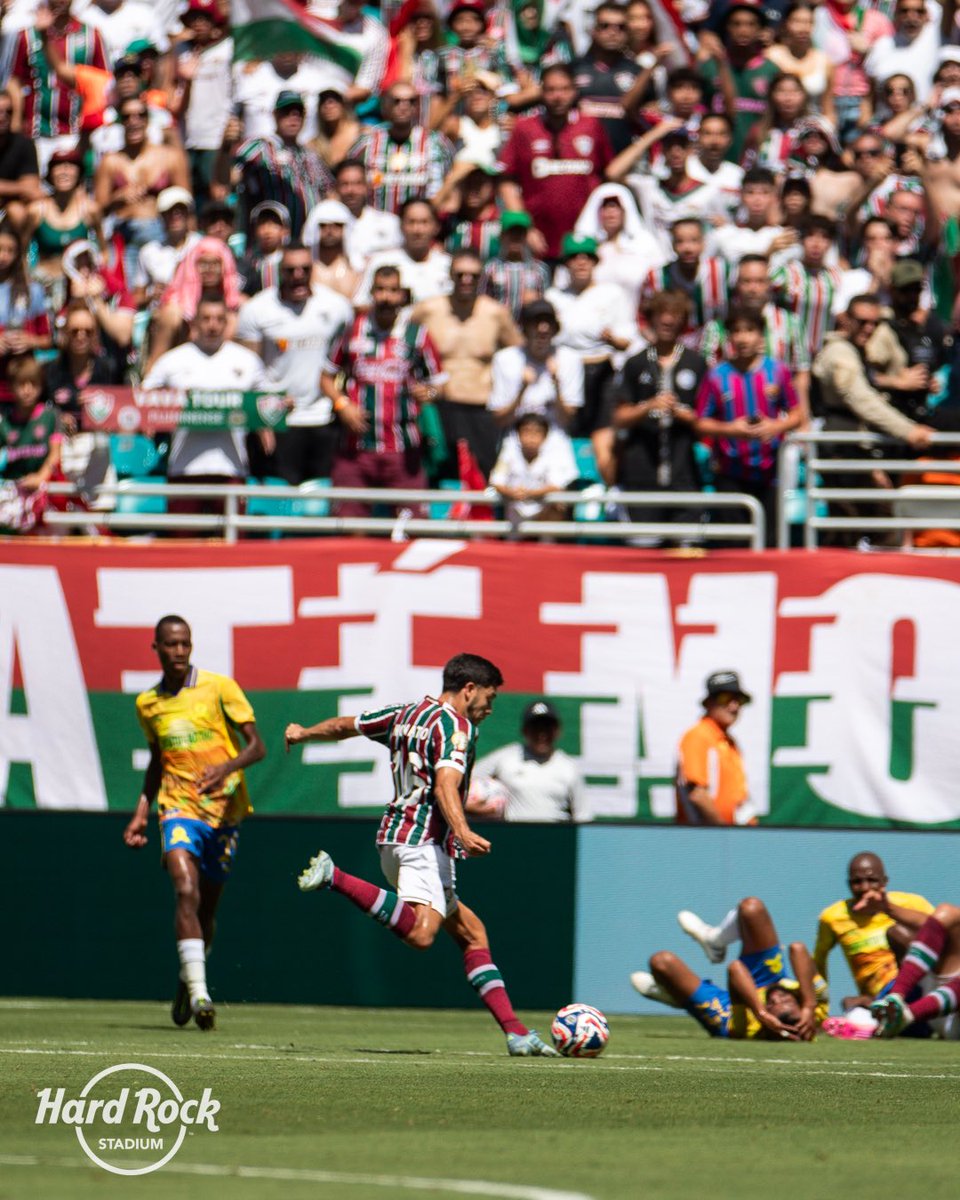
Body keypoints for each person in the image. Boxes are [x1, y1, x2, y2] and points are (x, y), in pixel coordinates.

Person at [284, 652, 558, 1057]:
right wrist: (464, 831)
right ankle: (335, 876)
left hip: (395, 839)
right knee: (421, 934)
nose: (489, 707)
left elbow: (345, 726)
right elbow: (447, 784)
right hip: (422, 842)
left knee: (471, 934)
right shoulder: (458, 728)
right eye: (490, 697)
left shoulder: (406, 713)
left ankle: (516, 1033)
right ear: (469, 690)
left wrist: (303, 732)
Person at [122, 615, 266, 1031]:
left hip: (224, 812)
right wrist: (141, 812)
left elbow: (257, 747)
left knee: (207, 907)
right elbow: (157, 761)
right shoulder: (148, 703)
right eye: (171, 644)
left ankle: (188, 978)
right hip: (178, 806)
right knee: (184, 889)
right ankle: (203, 993)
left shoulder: (219, 687)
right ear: (157, 648)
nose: (180, 651)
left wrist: (226, 767)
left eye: (185, 643)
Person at [323, 263, 445, 517]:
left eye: (392, 290)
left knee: (412, 529)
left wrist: (430, 394)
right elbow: (325, 377)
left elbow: (440, 384)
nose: (386, 297)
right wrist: (342, 405)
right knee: (349, 528)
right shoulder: (352, 330)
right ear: (371, 293)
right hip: (356, 449)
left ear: (402, 294)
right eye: (380, 290)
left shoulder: (417, 335)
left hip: (403, 450)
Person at [630, 897, 828, 1041]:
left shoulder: (750, 1027)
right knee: (751, 907)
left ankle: (676, 995)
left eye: (774, 1005)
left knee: (661, 962)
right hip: (770, 978)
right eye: (787, 1000)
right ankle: (714, 940)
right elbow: (797, 949)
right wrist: (809, 1005)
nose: (777, 997)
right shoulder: (815, 1012)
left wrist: (760, 1012)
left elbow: (735, 969)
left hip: (734, 1006)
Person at [236, 241, 353, 485]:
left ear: (313, 269)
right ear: (279, 271)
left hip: (323, 418)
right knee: (279, 503)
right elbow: (247, 370)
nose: (298, 276)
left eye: (304, 269)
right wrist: (260, 419)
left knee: (321, 502)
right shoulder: (257, 309)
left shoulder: (338, 307)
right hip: (279, 419)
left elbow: (349, 362)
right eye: (290, 270)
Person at [142, 296, 270, 505]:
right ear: (194, 322)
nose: (212, 325)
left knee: (231, 537)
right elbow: (143, 396)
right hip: (184, 468)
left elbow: (267, 401)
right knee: (183, 538)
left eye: (219, 319)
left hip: (232, 467)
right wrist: (149, 419)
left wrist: (272, 419)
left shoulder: (248, 361)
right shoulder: (172, 360)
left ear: (227, 323)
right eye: (206, 318)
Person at [695, 305, 802, 544]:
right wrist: (730, 430)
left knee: (770, 542)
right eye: (737, 331)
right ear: (729, 336)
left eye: (750, 330)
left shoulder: (778, 371)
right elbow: (700, 422)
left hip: (770, 472)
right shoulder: (716, 375)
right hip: (729, 471)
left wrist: (775, 427)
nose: (743, 338)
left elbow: (797, 414)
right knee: (734, 545)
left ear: (761, 334)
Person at [412, 248, 521, 480]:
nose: (466, 280)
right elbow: (401, 346)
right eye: (460, 274)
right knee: (436, 477)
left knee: (481, 478)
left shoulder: (495, 313)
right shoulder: (428, 310)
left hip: (480, 408)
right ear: (450, 275)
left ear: (482, 277)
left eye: (473, 275)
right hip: (439, 406)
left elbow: (519, 354)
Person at [606, 289, 706, 532]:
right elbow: (619, 417)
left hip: (684, 470)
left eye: (675, 315)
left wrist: (686, 416)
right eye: (662, 314)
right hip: (641, 470)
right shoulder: (636, 362)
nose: (668, 321)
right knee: (643, 549)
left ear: (683, 321)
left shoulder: (696, 363)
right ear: (651, 318)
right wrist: (649, 406)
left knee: (684, 549)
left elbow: (708, 418)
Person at [497, 62, 613, 261]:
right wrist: (525, 227)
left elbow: (608, 174)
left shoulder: (591, 125)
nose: (558, 96)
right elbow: (506, 180)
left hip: (585, 242)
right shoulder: (525, 128)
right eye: (551, 90)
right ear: (541, 92)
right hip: (538, 242)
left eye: (564, 89)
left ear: (575, 91)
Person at [814, 852, 933, 1011]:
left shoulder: (911, 904)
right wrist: (819, 1009)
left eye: (872, 880)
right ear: (848, 884)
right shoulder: (833, 917)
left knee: (897, 933)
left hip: (921, 987)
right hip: (877, 999)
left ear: (885, 882)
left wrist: (888, 909)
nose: (865, 888)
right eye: (857, 882)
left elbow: (947, 931)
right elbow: (818, 962)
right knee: (852, 1010)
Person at [545, 233, 637, 437]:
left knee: (602, 435)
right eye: (574, 257)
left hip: (600, 371)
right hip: (565, 370)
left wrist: (611, 338)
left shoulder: (612, 293)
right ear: (565, 263)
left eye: (586, 257)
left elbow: (626, 341)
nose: (581, 262)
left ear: (594, 262)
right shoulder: (553, 297)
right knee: (567, 432)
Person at [469, 698, 589, 822]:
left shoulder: (569, 767)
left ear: (557, 731)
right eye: (536, 728)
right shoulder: (507, 756)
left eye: (547, 727)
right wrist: (469, 806)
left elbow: (583, 816)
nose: (542, 734)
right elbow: (464, 778)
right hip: (514, 836)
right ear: (525, 731)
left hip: (556, 837)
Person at [234, 92, 335, 239]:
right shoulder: (259, 147)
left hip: (307, 239)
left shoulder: (310, 155)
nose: (293, 117)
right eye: (286, 112)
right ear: (275, 115)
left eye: (298, 113)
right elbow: (231, 175)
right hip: (272, 238)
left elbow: (330, 190)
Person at [348, 82, 453, 215]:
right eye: (397, 101)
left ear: (417, 107)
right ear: (385, 105)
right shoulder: (367, 144)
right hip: (377, 228)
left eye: (411, 101)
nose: (404, 106)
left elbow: (451, 188)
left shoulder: (436, 143)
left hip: (419, 229)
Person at [488, 299, 584, 436]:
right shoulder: (504, 359)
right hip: (515, 439)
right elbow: (500, 420)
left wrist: (556, 384)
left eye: (548, 323)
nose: (542, 329)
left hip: (554, 439)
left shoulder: (570, 359)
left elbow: (567, 420)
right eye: (536, 323)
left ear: (555, 329)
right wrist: (522, 389)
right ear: (525, 328)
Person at [675, 669, 755, 826]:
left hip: (727, 840)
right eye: (725, 698)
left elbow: (739, 800)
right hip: (704, 840)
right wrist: (723, 834)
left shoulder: (730, 742)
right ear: (709, 703)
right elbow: (697, 794)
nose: (734, 706)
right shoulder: (698, 736)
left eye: (738, 700)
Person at [871, 903, 960, 1037]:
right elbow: (931, 923)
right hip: (940, 1003)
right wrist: (885, 907)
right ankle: (895, 1000)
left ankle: (905, 1016)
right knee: (947, 912)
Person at [478, 209, 549, 322]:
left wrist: (536, 302)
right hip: (498, 329)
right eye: (511, 233)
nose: (515, 238)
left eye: (520, 233)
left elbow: (546, 303)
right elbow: (481, 301)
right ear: (502, 236)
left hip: (528, 330)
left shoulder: (539, 270)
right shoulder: (490, 268)